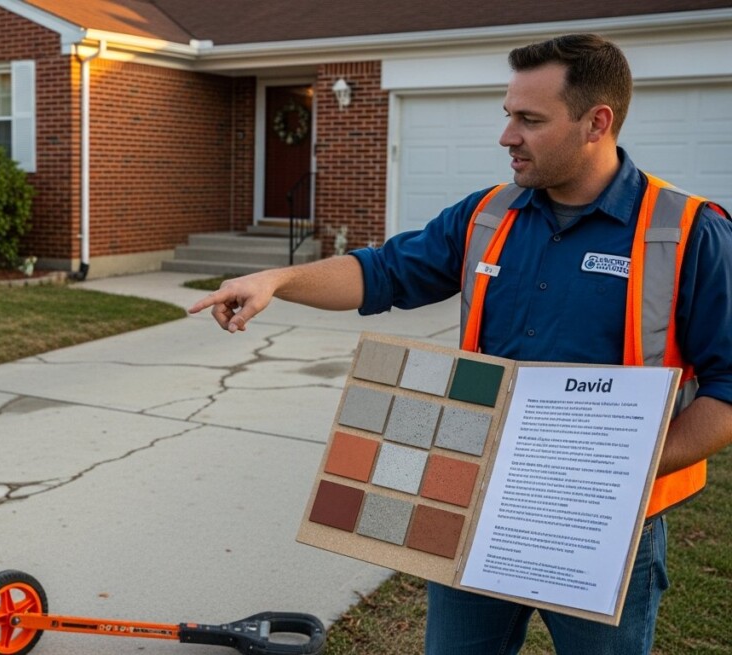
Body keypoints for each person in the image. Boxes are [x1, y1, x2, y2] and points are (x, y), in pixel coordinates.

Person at [189, 34, 732, 655]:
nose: (507, 136)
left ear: (596, 123)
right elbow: (382, 272)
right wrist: (278, 279)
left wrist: (619, 474)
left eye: (530, 119)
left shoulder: (689, 232)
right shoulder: (486, 215)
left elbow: (727, 388)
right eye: (508, 115)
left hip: (607, 533)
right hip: (477, 517)